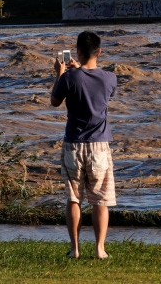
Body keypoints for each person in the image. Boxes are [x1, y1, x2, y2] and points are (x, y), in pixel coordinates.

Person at [50, 31, 117, 259]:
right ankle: (100, 249)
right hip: (99, 145)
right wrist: (79, 67)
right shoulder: (110, 78)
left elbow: (54, 102)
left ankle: (74, 249)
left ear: (77, 50)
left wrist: (59, 75)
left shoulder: (68, 78)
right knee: (100, 199)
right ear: (99, 52)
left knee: (73, 198)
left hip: (73, 145)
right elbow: (96, 90)